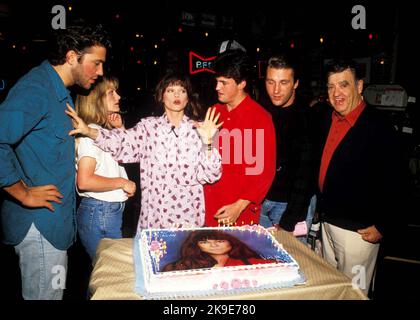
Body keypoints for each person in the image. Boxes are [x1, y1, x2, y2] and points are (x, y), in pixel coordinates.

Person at [0, 22, 110, 299]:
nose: (101, 72)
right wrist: (22, 193)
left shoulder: (59, 91)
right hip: (39, 227)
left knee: (54, 294)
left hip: (54, 225)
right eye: (96, 64)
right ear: (72, 57)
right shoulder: (36, 89)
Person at [66, 72, 222, 230]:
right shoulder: (148, 128)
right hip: (155, 219)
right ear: (161, 96)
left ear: (188, 97)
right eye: (170, 90)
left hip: (189, 219)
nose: (177, 95)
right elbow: (122, 143)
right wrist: (89, 131)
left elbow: (210, 175)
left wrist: (208, 142)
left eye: (182, 91)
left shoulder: (201, 129)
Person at [318, 58, 404, 295]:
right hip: (328, 224)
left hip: (359, 233)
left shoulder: (379, 127)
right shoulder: (328, 118)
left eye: (343, 85)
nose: (336, 93)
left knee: (355, 293)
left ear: (358, 86)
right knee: (331, 289)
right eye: (331, 86)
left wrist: (384, 224)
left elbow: (398, 182)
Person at [204, 49, 276, 227]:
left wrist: (239, 206)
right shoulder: (213, 112)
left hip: (240, 212)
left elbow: (264, 173)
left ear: (242, 83)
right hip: (208, 207)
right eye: (216, 81)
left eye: (223, 83)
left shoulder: (259, 118)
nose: (217, 88)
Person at [75, 76, 136, 261]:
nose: (118, 97)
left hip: (106, 211)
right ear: (97, 99)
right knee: (111, 274)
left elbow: (126, 156)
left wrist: (120, 129)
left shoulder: (101, 132)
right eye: (111, 93)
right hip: (100, 211)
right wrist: (122, 183)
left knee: (108, 274)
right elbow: (84, 181)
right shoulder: (90, 133)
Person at [258, 54, 318, 242]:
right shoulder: (261, 113)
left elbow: (306, 176)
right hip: (261, 203)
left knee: (293, 265)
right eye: (270, 82)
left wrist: (288, 221)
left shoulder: (307, 119)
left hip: (290, 207)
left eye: (283, 82)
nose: (276, 90)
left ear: (296, 83)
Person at [162, 230, 277, 271]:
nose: (214, 245)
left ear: (231, 243)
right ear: (197, 246)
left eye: (220, 240)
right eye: (205, 242)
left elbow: (281, 267)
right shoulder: (188, 265)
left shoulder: (249, 262)